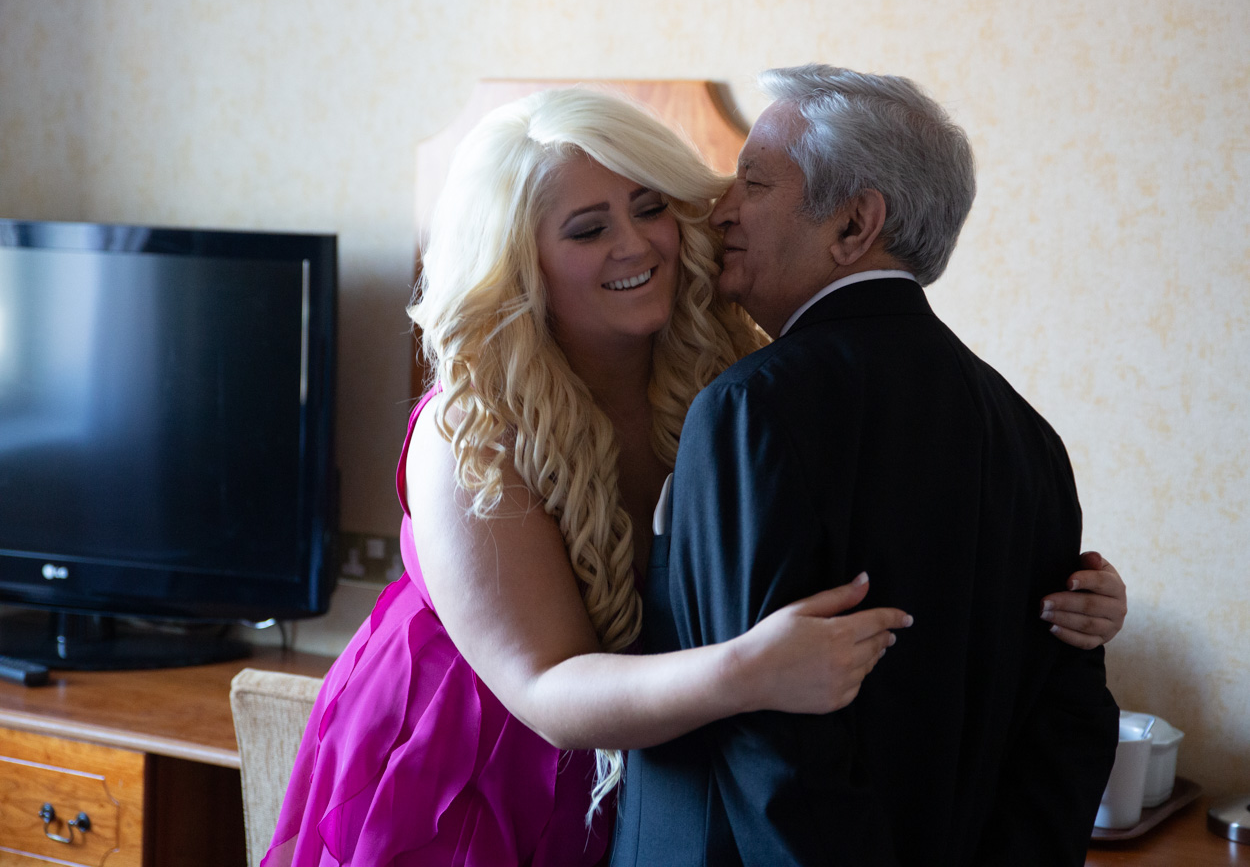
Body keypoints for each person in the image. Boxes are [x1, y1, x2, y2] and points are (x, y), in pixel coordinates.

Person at [264, 86, 1126, 867]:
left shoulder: (731, 382)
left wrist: (1061, 600)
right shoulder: (472, 430)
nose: (635, 243)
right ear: (520, 261)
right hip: (473, 770)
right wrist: (746, 671)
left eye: (651, 208)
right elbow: (546, 690)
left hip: (643, 780)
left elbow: (895, 555)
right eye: (588, 229)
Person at [611, 66, 1122, 867]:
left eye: (754, 182)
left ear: (854, 224)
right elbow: (1067, 728)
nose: (721, 211)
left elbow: (770, 743)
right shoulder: (1030, 438)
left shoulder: (752, 408)